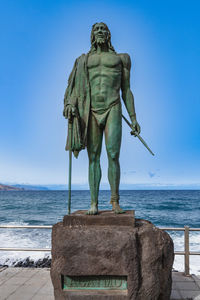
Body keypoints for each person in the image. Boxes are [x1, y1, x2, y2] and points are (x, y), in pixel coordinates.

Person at [63, 22, 140, 215]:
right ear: (92, 35)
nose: (100, 32)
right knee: (93, 157)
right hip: (90, 110)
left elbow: (127, 90)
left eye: (103, 29)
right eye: (96, 29)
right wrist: (71, 105)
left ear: (108, 34)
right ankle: (94, 203)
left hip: (113, 107)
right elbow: (75, 88)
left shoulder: (122, 59)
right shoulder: (84, 60)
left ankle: (115, 201)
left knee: (113, 155)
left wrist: (133, 118)